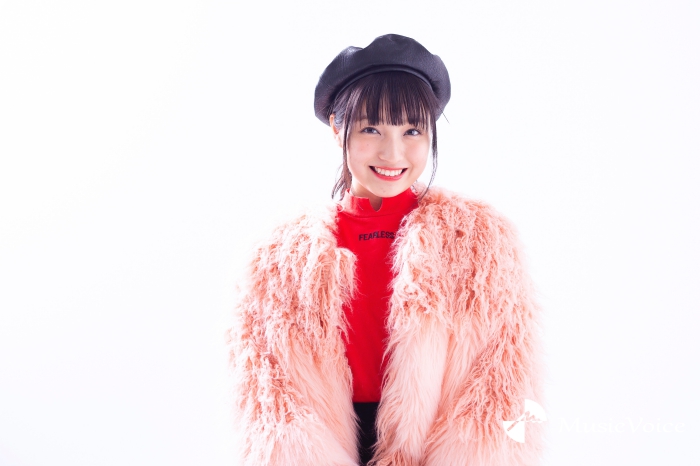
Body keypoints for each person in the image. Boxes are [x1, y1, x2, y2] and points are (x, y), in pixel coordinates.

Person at [225, 34, 545, 466]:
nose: (393, 153)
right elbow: (268, 395)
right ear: (338, 128)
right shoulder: (279, 257)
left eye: (412, 130)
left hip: (439, 448)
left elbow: (499, 385)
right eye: (371, 128)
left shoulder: (480, 242)